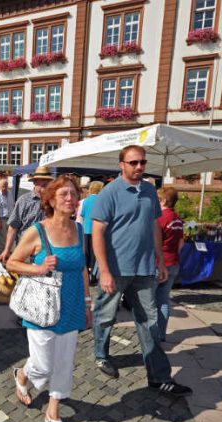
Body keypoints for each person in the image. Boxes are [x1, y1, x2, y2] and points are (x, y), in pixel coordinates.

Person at [91, 145, 192, 397]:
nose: (139, 167)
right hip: (116, 269)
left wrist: (160, 260)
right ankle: (101, 355)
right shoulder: (109, 192)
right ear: (121, 164)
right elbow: (97, 232)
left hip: (145, 268)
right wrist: (103, 270)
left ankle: (158, 377)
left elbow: (154, 228)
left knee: (149, 321)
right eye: (133, 162)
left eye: (142, 162)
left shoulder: (149, 190)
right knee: (106, 315)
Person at [6, 176, 91, 422]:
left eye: (74, 194)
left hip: (73, 303)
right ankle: (23, 374)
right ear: (51, 200)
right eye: (64, 194)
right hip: (43, 307)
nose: (71, 198)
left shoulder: (79, 230)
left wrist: (88, 305)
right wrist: (40, 268)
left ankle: (53, 412)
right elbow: (12, 263)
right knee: (42, 366)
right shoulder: (37, 231)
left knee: (65, 361)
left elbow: (82, 269)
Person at [0, 166, 55, 262]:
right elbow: (13, 227)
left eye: (47, 181)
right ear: (35, 182)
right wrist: (7, 250)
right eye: (43, 182)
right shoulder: (23, 201)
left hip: (48, 250)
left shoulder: (54, 201)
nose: (46, 185)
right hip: (26, 250)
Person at [155, 187, 184, 342]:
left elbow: (154, 244)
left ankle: (151, 335)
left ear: (164, 201)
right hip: (173, 263)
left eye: (157, 199)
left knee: (151, 302)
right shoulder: (177, 219)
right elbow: (181, 244)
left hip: (159, 264)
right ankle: (161, 334)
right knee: (164, 300)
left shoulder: (160, 218)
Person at [78, 181, 104, 285]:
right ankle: (93, 276)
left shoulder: (86, 200)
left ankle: (86, 276)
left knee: (86, 254)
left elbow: (82, 214)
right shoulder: (101, 200)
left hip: (86, 230)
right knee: (95, 254)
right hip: (97, 231)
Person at [0, 178, 15, 257]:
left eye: (5, 186)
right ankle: (2, 256)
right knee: (2, 239)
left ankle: (6, 253)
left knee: (9, 237)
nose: (4, 188)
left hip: (10, 218)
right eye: (2, 186)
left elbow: (12, 206)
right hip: (1, 219)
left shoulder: (10, 193)